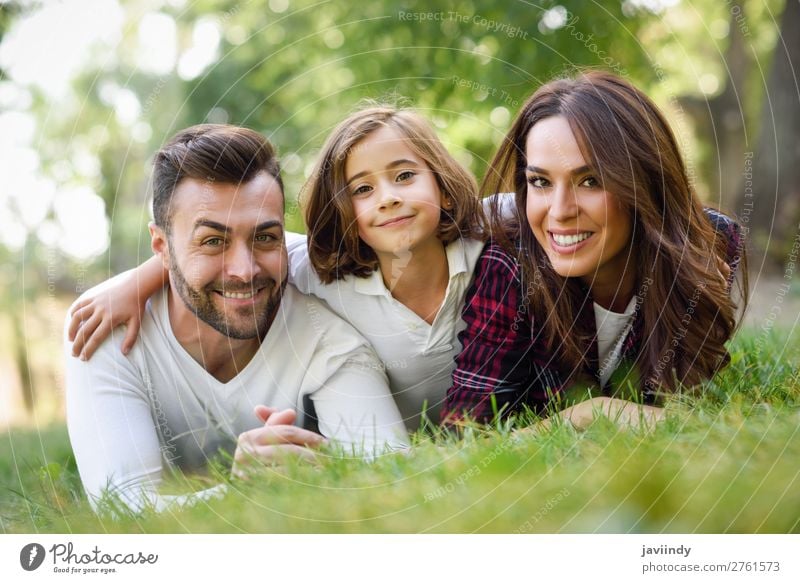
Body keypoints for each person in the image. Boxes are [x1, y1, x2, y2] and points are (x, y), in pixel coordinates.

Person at [68, 106, 487, 430]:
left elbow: (540, 217)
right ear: (343, 213)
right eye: (362, 188)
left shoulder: (492, 241)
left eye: (405, 175)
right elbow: (229, 252)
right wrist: (136, 284)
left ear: (444, 188)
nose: (388, 198)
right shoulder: (317, 272)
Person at [64, 124, 408, 514]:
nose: (244, 271)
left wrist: (316, 470)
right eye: (213, 241)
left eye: (264, 238)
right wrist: (245, 487)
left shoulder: (328, 336)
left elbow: (391, 470)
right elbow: (122, 509)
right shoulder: (102, 326)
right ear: (161, 246)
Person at [442, 70, 747, 427]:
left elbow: (679, 406)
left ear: (644, 182)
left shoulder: (705, 245)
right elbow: (468, 434)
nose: (559, 211)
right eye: (540, 181)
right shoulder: (511, 263)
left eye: (591, 181)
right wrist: (591, 412)